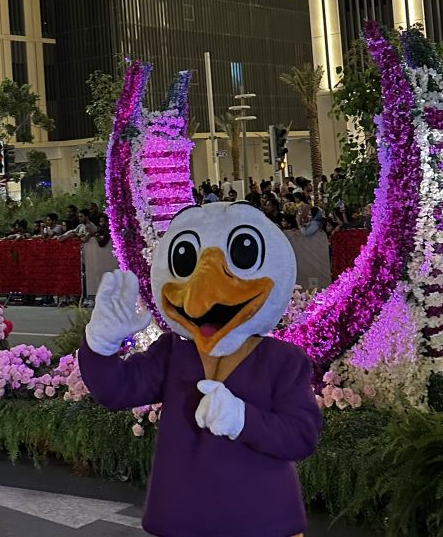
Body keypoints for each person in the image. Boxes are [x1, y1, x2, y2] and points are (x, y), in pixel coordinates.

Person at [78, 205, 321, 537]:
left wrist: (242, 419)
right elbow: (116, 389)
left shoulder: (283, 361)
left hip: (261, 523)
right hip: (180, 519)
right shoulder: (172, 352)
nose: (205, 294)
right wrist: (101, 344)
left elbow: (300, 437)